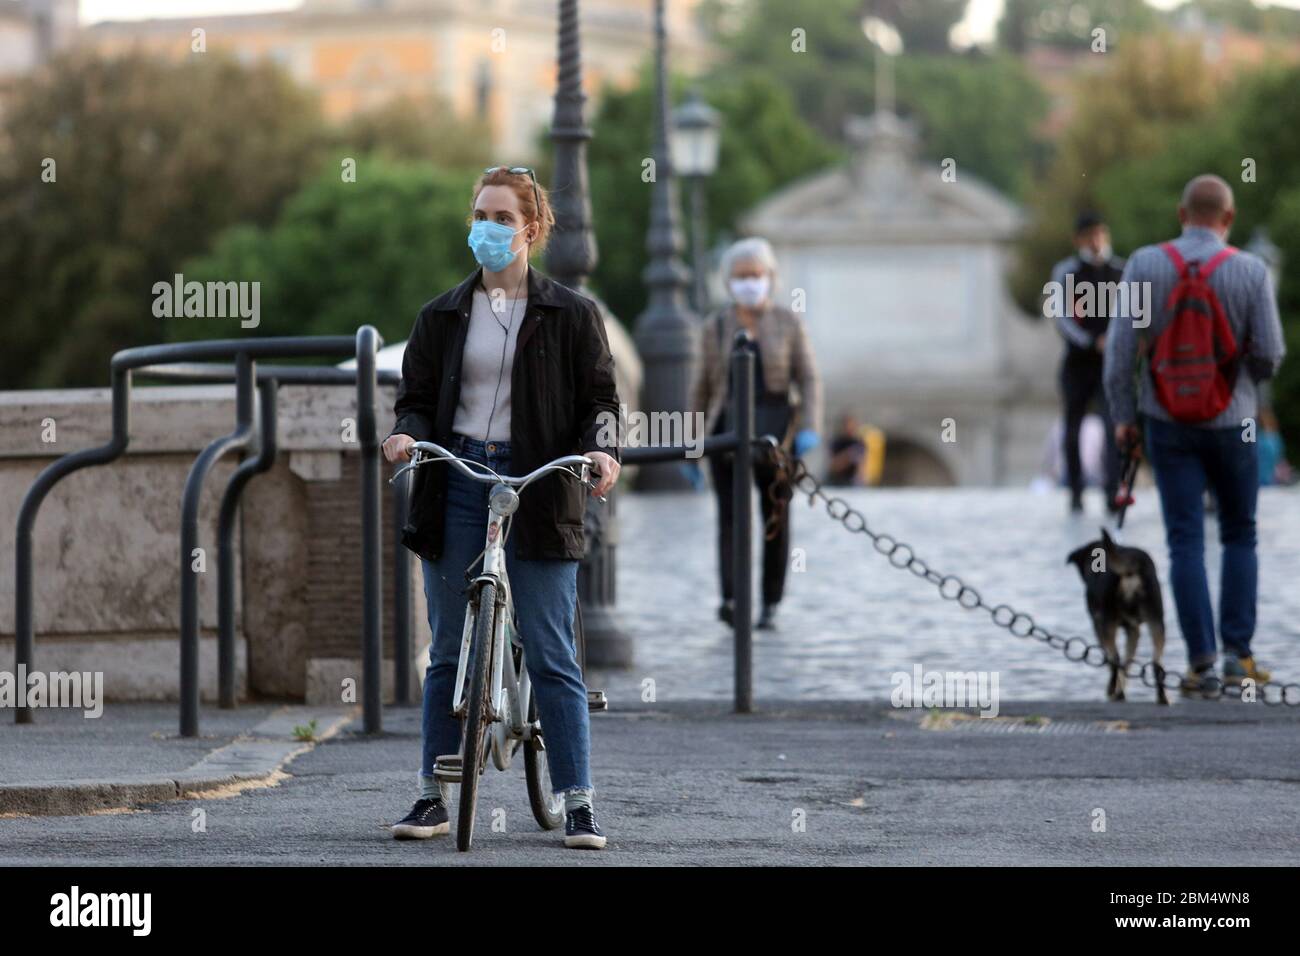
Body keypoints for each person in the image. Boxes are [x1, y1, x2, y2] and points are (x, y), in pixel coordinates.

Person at [382, 166, 621, 849]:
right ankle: (430, 794)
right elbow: (417, 399)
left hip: (540, 480)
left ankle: (578, 802)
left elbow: (601, 403)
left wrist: (601, 451)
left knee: (551, 650)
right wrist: (407, 435)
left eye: (502, 218)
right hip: (457, 476)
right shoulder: (441, 314)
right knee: (447, 647)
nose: (487, 228)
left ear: (532, 230)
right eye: (479, 216)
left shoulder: (572, 314)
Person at [1104, 174, 1285, 696]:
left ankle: (1200, 662)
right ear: (1228, 219)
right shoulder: (1250, 270)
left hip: (1167, 423)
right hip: (1236, 423)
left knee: (1184, 539)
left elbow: (1119, 353)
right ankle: (1237, 654)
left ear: (1182, 215)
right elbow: (1270, 353)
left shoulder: (1144, 263)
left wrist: (1124, 418)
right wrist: (1235, 381)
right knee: (1238, 533)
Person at [691, 236, 823, 631]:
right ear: (728, 281)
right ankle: (732, 598)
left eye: (756, 275)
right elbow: (700, 388)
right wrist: (690, 447)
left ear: (770, 278)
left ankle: (770, 600)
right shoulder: (715, 326)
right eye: (741, 276)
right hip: (727, 429)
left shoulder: (788, 322)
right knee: (730, 519)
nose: (749, 282)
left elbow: (810, 377)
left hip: (777, 432)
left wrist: (810, 427)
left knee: (775, 516)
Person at [1047, 211, 1126, 514]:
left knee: (1112, 427)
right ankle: (1076, 490)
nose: (1096, 241)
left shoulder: (1120, 270)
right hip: (1078, 363)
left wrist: (1115, 341)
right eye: (1090, 235)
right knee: (1073, 426)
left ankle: (1111, 491)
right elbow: (1062, 317)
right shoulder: (1066, 272)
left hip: (1109, 364)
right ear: (1079, 240)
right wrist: (1091, 341)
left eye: (1100, 234)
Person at [827, 412, 867, 487]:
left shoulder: (859, 443)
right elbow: (833, 467)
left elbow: (862, 471)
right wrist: (848, 456)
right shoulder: (836, 442)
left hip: (853, 484)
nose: (849, 428)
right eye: (847, 425)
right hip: (837, 482)